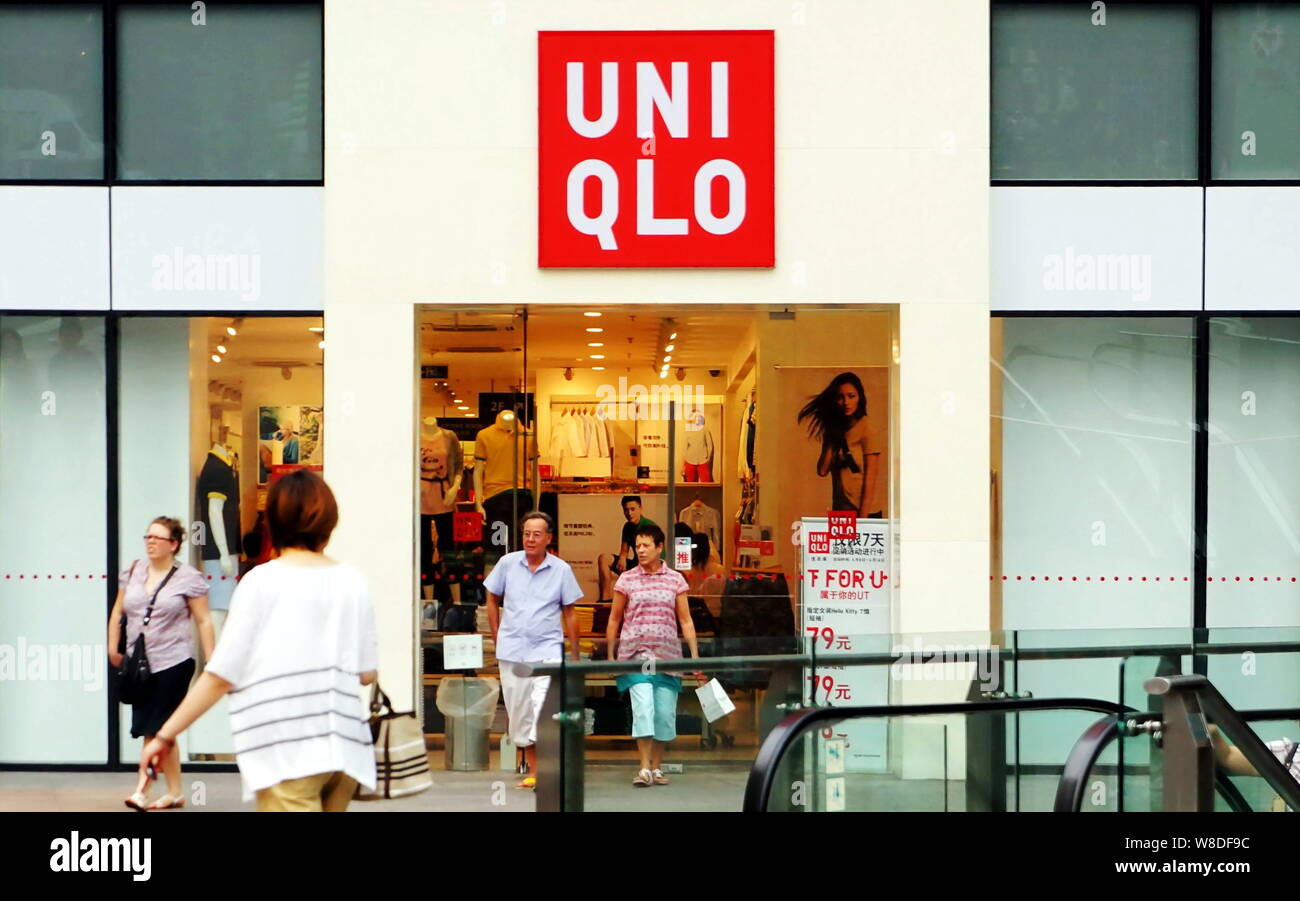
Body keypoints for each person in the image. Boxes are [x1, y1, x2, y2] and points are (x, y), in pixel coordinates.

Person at [139, 470, 380, 812]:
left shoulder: (261, 582)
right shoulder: (351, 581)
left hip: (290, 750)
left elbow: (222, 674)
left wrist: (164, 735)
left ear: (273, 522)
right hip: (345, 750)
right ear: (330, 520)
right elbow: (366, 674)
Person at [109, 517, 214, 811]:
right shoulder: (132, 571)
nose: (151, 542)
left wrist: (211, 661)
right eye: (148, 537)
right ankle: (176, 792)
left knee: (154, 729)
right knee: (160, 729)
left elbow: (204, 620)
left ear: (174, 544)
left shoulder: (189, 578)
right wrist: (112, 646)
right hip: (139, 665)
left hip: (174, 662)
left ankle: (142, 790)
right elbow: (119, 610)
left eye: (158, 538)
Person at [485, 511, 582, 790]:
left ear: (548, 538)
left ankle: (547, 772)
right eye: (526, 533)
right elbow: (491, 597)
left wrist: (574, 655)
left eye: (536, 534)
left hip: (547, 650)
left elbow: (570, 613)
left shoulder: (561, 569)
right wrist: (495, 635)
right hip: (512, 650)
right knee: (519, 711)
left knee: (545, 709)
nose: (530, 539)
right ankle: (534, 770)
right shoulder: (507, 563)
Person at [606, 523, 704, 787]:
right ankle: (643, 768)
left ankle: (657, 767)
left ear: (660, 547)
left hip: (667, 656)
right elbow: (614, 619)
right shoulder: (626, 579)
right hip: (636, 656)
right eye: (637, 545)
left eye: (646, 545)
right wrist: (611, 655)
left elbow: (686, 621)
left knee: (663, 713)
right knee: (644, 707)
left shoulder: (675, 579)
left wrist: (694, 656)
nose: (640, 550)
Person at [797, 371, 879, 517]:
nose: (846, 402)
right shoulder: (835, 430)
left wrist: (863, 521)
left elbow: (870, 480)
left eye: (851, 396)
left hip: (863, 512)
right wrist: (833, 434)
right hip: (840, 510)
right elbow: (822, 470)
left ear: (860, 398)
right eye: (841, 397)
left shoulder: (867, 429)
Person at [597, 495, 658, 601]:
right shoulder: (627, 526)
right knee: (604, 558)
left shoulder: (649, 527)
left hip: (649, 570)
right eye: (626, 510)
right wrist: (622, 558)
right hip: (635, 566)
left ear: (640, 508)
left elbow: (656, 559)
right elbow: (624, 551)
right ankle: (605, 600)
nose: (629, 513)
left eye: (633, 509)